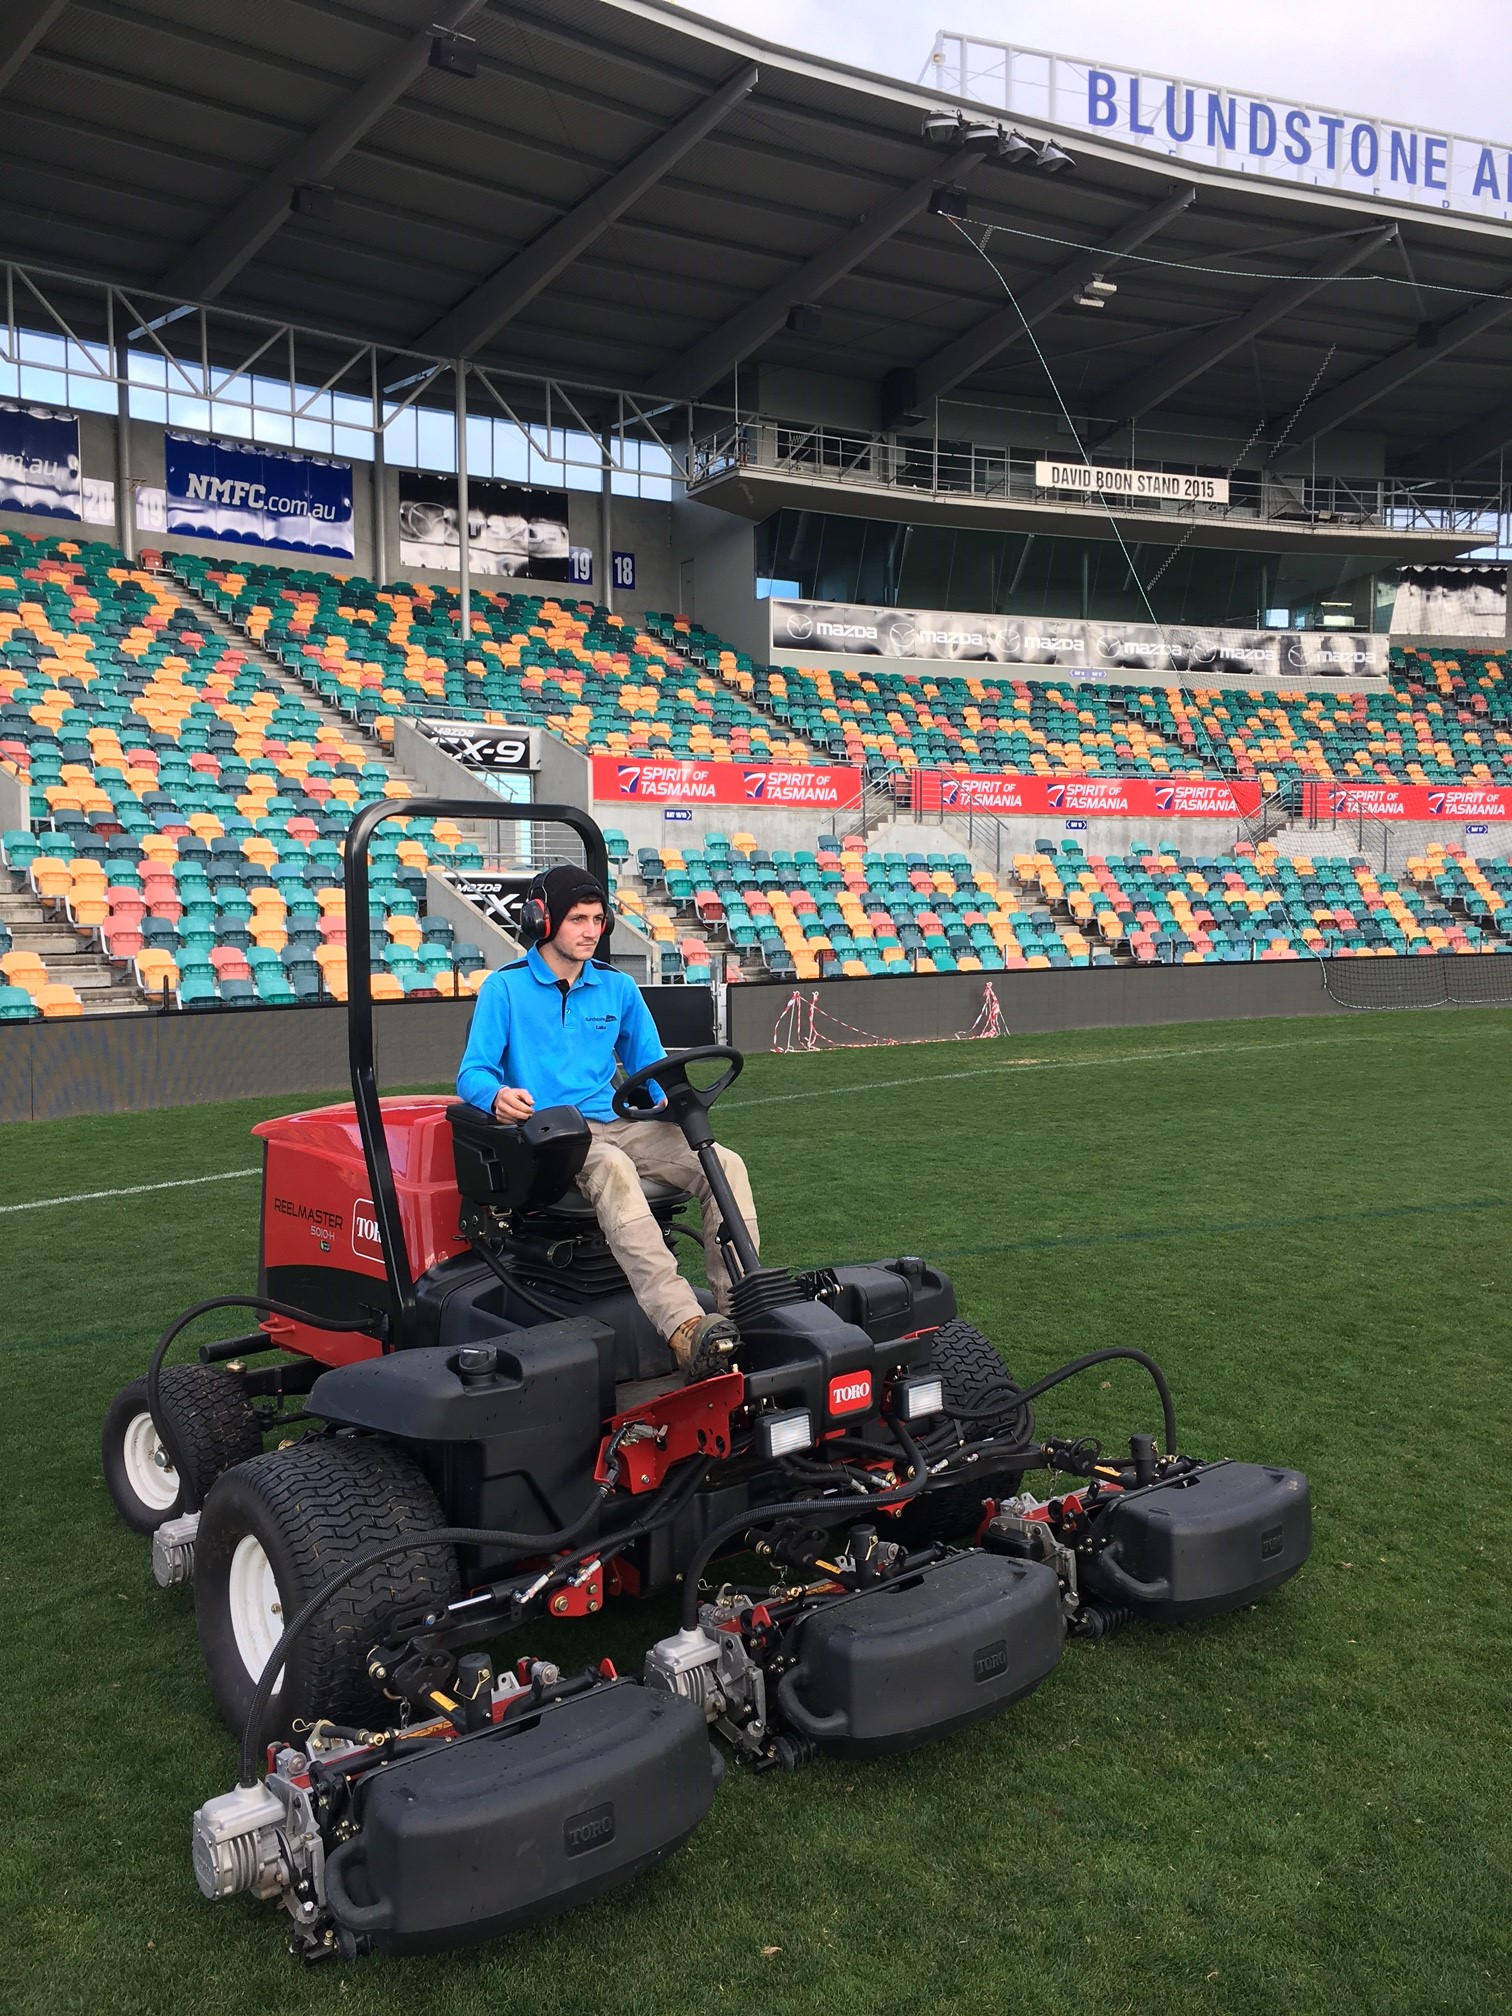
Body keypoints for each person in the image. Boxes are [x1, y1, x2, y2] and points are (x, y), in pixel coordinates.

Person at [456, 864, 759, 1381]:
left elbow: (651, 1065)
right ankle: (684, 1325)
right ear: (542, 920)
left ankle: (742, 1313)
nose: (591, 930)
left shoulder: (617, 988)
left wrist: (675, 1103)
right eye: (578, 919)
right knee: (613, 1166)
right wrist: (497, 1095)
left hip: (617, 1121)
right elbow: (472, 1074)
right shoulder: (504, 990)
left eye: (598, 919)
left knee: (723, 1163)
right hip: (552, 1135)